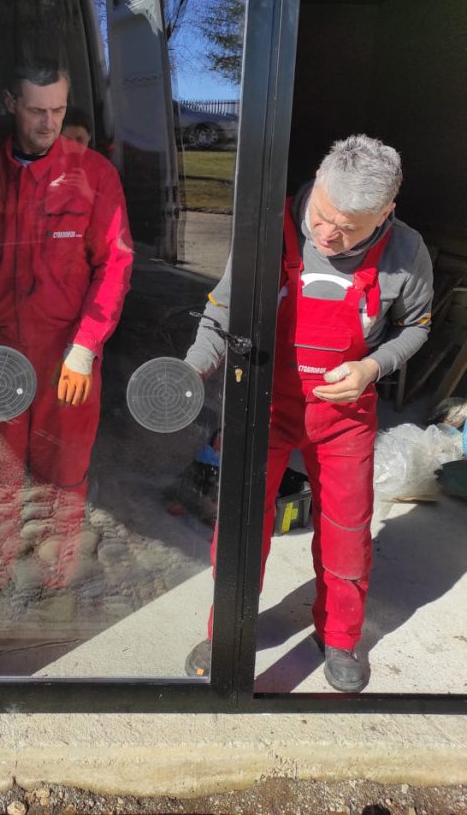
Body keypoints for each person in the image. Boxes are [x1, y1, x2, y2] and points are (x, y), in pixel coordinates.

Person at [184, 135, 433, 691]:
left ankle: (340, 636)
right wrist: (194, 367)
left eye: (347, 228)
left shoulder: (406, 252)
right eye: (321, 216)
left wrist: (372, 369)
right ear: (315, 186)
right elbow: (223, 310)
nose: (326, 235)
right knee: (244, 524)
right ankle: (228, 630)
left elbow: (416, 327)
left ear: (385, 215)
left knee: (347, 528)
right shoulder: (269, 229)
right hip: (265, 402)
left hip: (344, 415)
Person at [0, 63, 133, 590]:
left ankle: (56, 562)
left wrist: (85, 347)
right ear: (10, 103)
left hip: (64, 349)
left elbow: (114, 266)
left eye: (58, 110)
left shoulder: (93, 174)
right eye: (36, 110)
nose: (49, 122)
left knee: (64, 464)